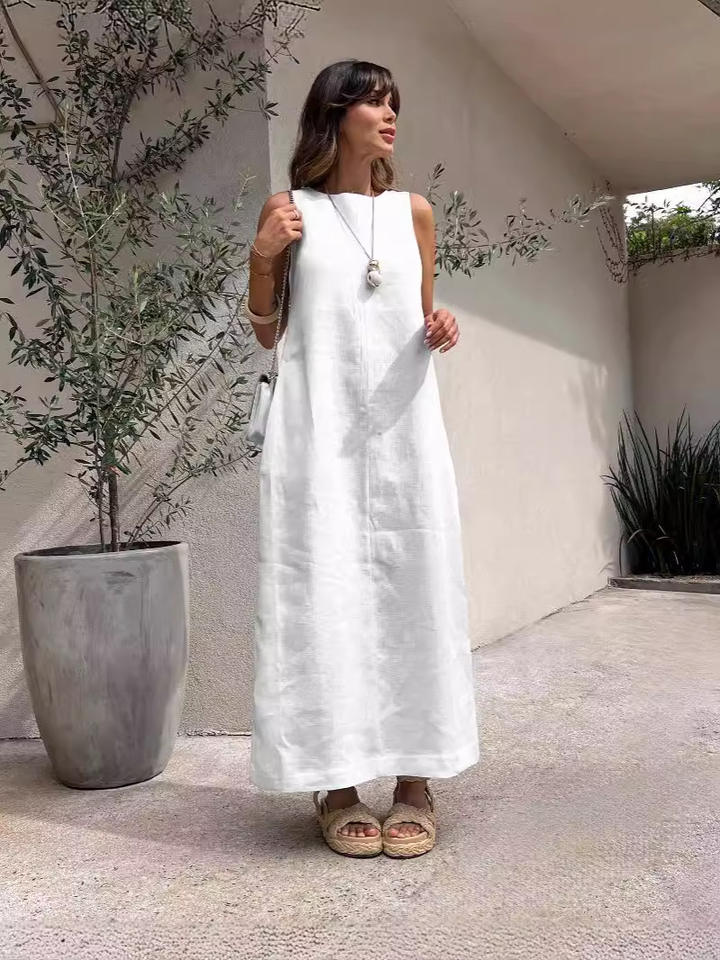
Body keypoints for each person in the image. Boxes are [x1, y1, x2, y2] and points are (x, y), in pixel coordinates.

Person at [244, 59, 480, 859]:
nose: (388, 114)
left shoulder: (415, 214)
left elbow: (418, 316)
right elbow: (270, 332)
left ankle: (415, 782)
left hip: (405, 433)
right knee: (323, 596)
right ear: (335, 114)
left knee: (417, 589)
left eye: (393, 102)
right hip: (320, 435)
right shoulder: (291, 211)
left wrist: (440, 327)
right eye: (374, 101)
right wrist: (263, 258)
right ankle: (337, 785)